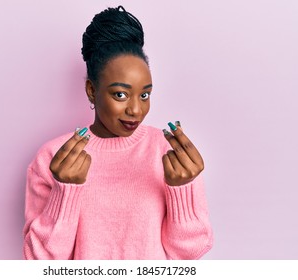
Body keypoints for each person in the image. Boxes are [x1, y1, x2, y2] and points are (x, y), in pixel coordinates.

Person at [23, 5, 213, 260]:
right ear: (92, 90)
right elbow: (40, 261)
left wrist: (181, 189)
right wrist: (65, 191)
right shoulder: (53, 158)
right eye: (120, 94)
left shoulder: (169, 153)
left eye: (144, 94)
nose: (135, 109)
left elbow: (189, 254)